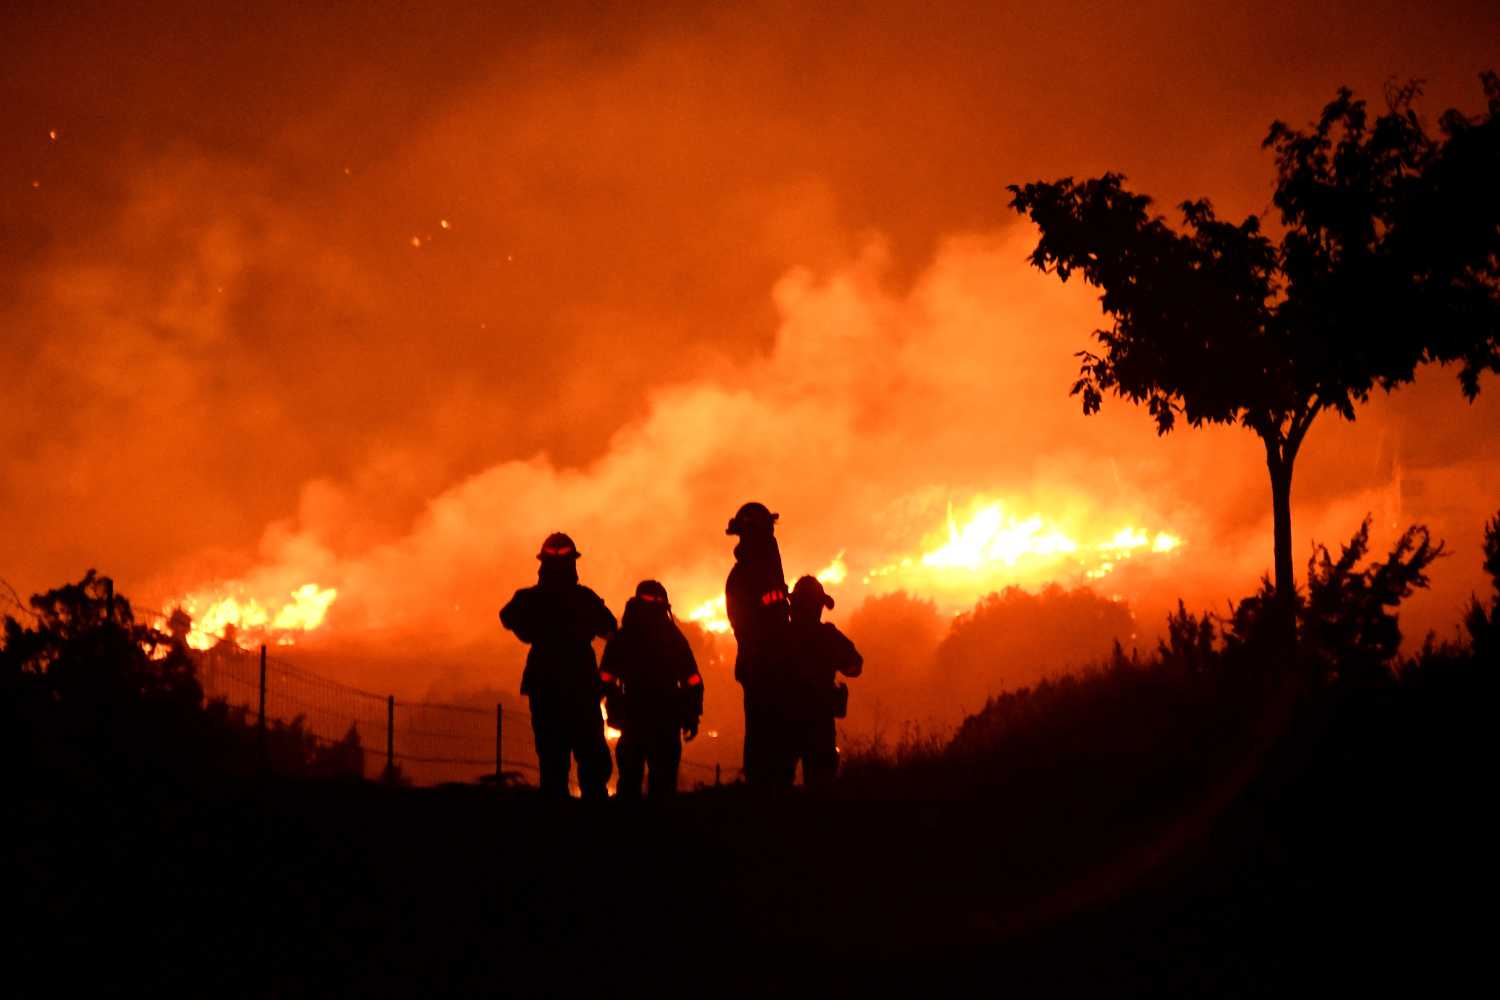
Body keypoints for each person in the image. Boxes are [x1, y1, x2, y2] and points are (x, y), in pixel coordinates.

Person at [499, 532, 618, 800]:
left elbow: (507, 617)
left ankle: (555, 825)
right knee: (590, 759)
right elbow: (610, 628)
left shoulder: (531, 598)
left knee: (553, 759)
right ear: (572, 565)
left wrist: (531, 630)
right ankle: (595, 823)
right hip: (580, 686)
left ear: (543, 564)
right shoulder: (584, 598)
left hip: (546, 685)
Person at [600, 580, 704, 799]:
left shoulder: (625, 637)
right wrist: (691, 715)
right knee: (657, 784)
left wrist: (614, 703)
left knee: (634, 783)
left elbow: (605, 678)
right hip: (657, 718)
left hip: (640, 717)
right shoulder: (672, 638)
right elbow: (692, 679)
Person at [763, 575, 862, 787]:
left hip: (785, 721)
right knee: (821, 787)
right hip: (819, 723)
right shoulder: (828, 637)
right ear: (818, 607)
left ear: (794, 605)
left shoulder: (780, 636)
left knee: (777, 785)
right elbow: (855, 665)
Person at [723, 500, 789, 785]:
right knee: (764, 728)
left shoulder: (765, 570)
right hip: (761, 663)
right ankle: (763, 787)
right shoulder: (745, 577)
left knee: (777, 728)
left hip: (772, 662)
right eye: (766, 531)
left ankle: (773, 785)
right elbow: (751, 622)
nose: (771, 537)